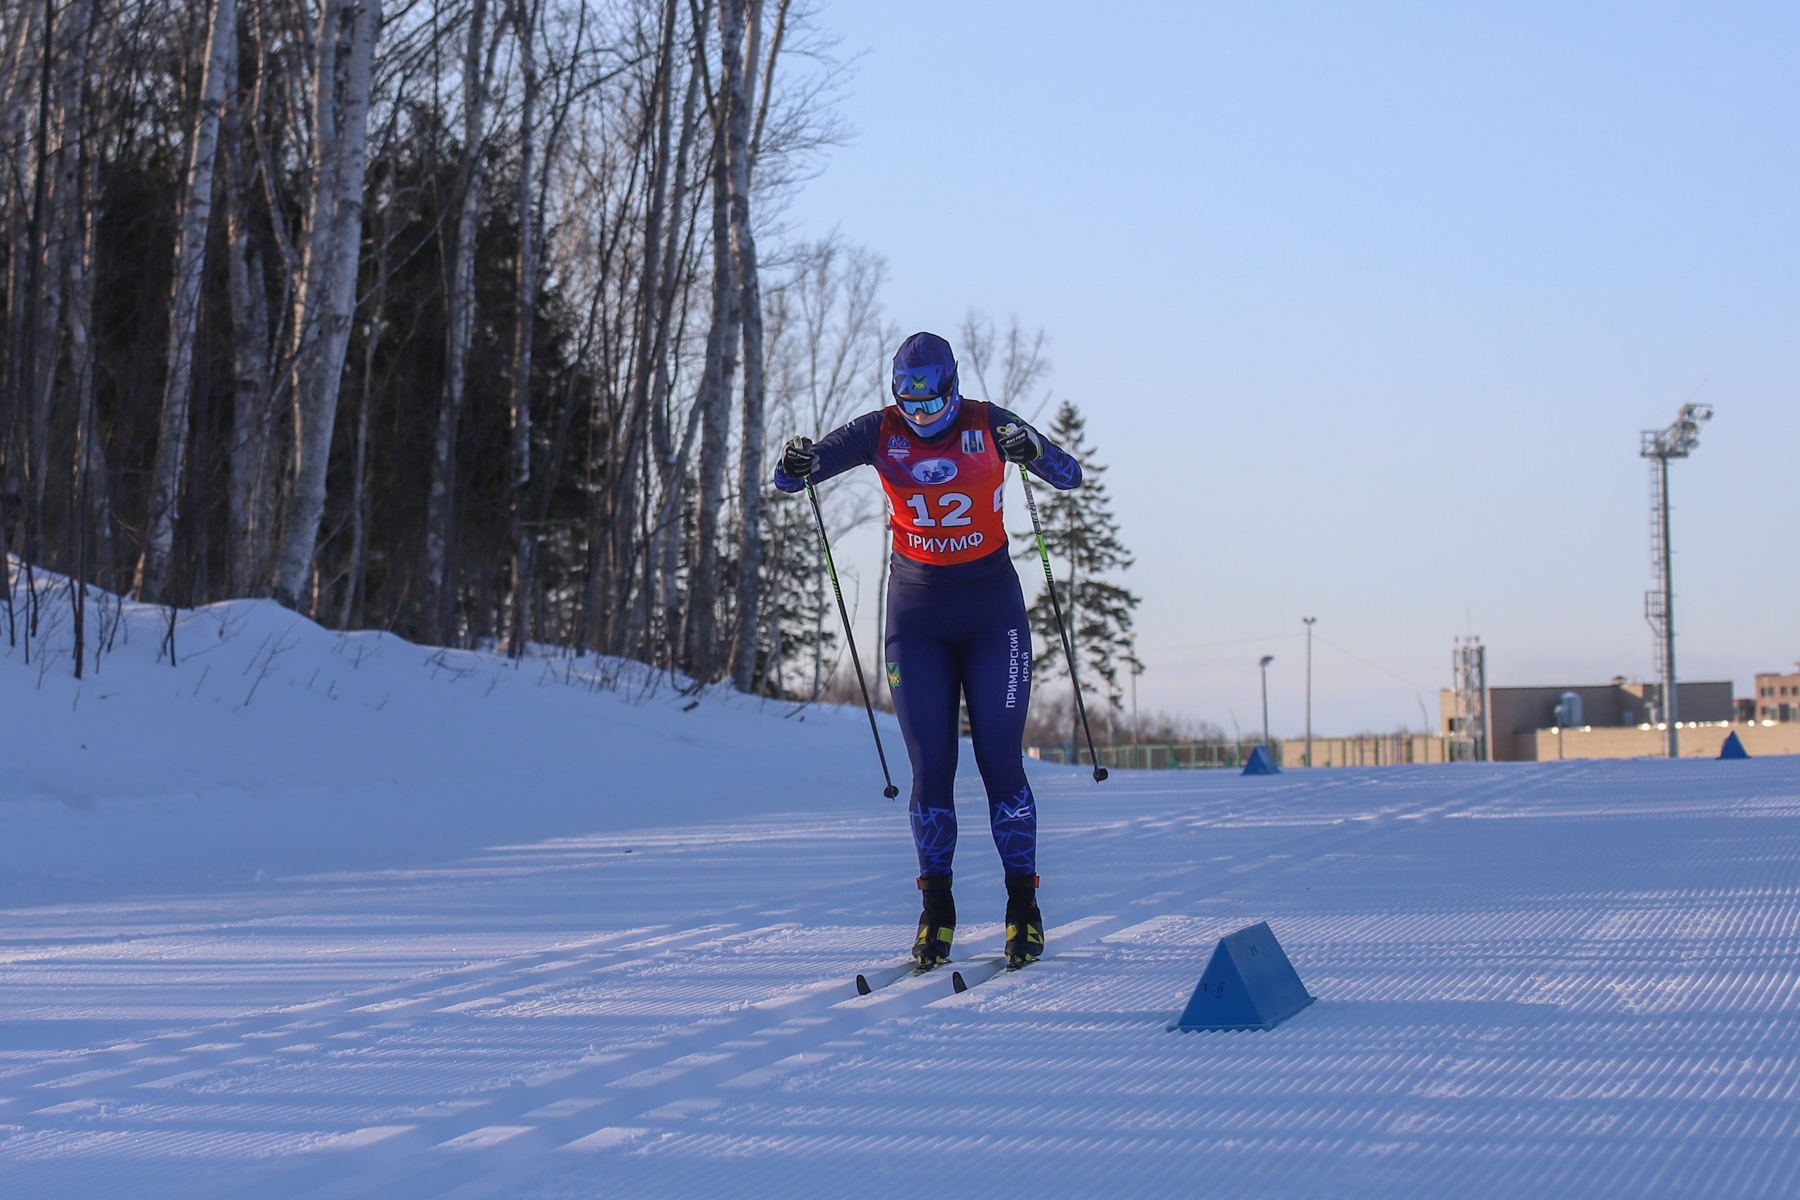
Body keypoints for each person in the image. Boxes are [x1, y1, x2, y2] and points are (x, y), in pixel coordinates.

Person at [773, 331, 1083, 969]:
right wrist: (796, 460)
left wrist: (1032, 449)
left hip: (991, 611)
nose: (919, 417)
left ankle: (1023, 911)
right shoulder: (878, 431)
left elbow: (1069, 476)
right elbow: (787, 479)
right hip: (916, 616)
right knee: (930, 770)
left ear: (952, 388)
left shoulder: (988, 423)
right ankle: (935, 913)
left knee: (1001, 764)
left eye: (930, 404)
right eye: (907, 404)